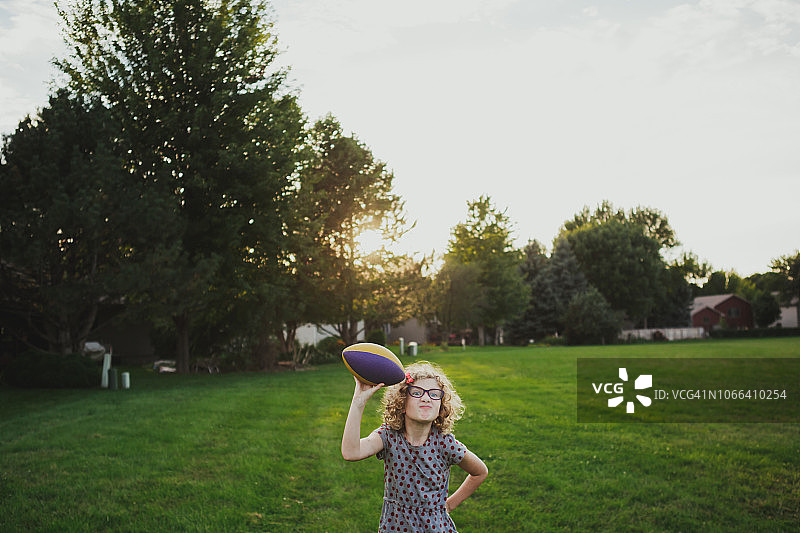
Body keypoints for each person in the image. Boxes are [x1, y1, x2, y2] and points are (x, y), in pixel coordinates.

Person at [342, 361, 488, 532]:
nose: (426, 397)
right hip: (395, 527)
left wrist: (448, 505)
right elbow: (351, 452)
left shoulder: (445, 443)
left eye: (434, 394)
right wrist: (358, 403)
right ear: (402, 404)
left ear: (441, 406)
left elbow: (480, 472)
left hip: (435, 528)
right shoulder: (388, 436)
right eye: (417, 393)